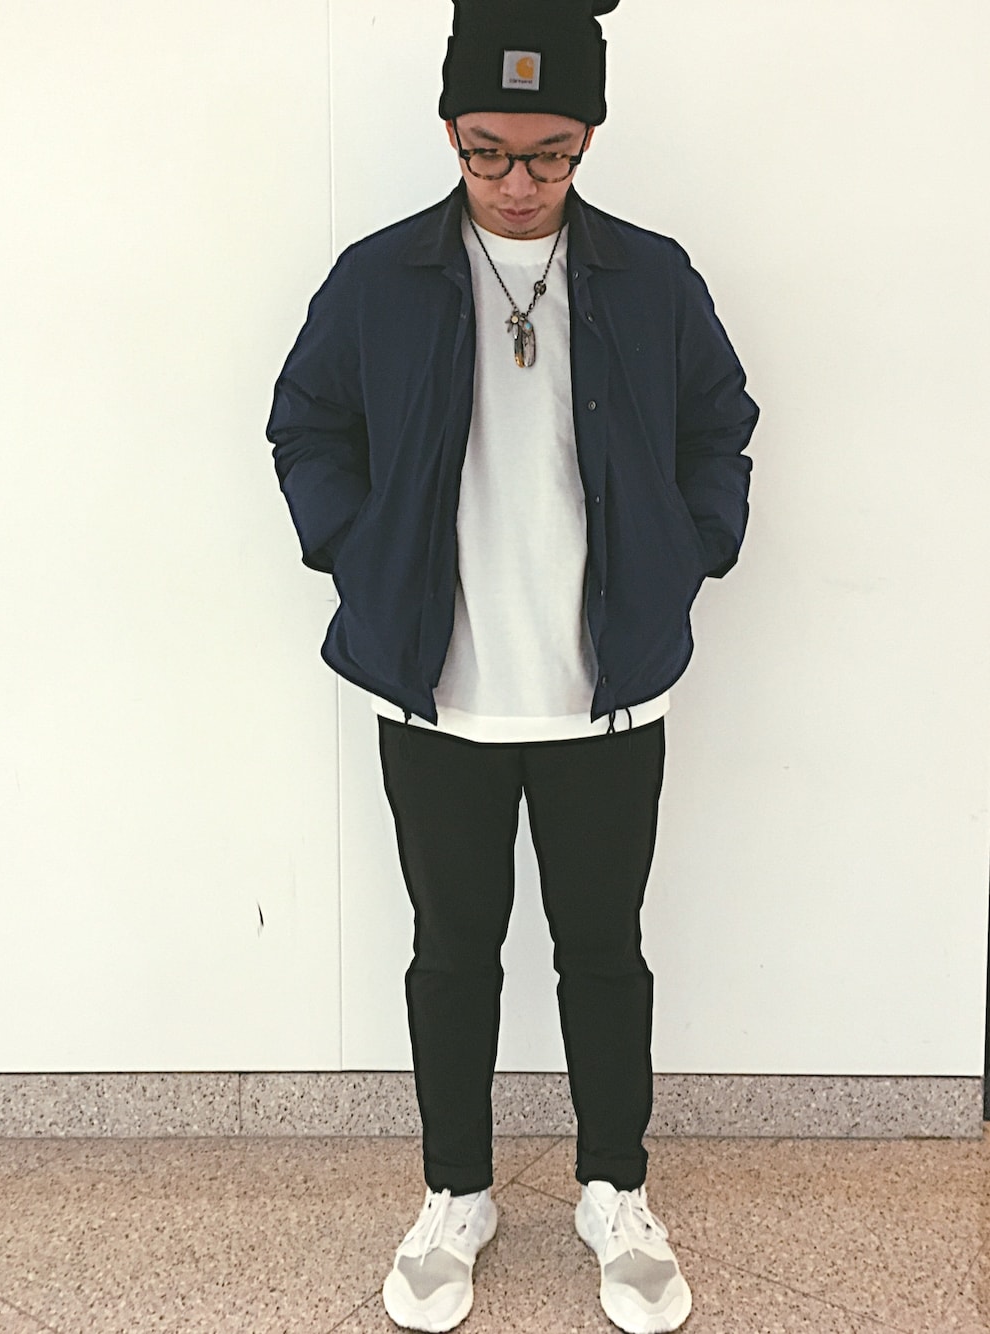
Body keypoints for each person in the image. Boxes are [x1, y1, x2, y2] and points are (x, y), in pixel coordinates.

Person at [268, 1, 758, 1328]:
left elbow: (720, 420)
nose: (518, 182)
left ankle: (615, 1189)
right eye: (487, 152)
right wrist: (356, 549)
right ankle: (456, 1193)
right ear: (451, 133)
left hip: (608, 693)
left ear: (588, 136)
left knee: (603, 952)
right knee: (451, 953)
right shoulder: (381, 277)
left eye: (548, 154)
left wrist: (694, 545)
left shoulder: (650, 276)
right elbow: (306, 420)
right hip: (437, 690)